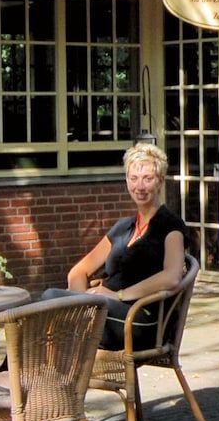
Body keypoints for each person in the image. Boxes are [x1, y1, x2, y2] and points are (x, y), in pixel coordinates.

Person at [51, 140, 188, 351]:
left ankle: (9, 380)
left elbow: (172, 276)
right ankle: (7, 378)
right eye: (133, 178)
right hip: (104, 313)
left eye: (147, 179)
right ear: (126, 181)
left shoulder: (171, 226)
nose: (139, 186)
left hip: (139, 320)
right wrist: (82, 304)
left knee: (49, 301)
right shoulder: (123, 227)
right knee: (37, 316)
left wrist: (118, 295)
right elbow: (77, 273)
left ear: (160, 182)